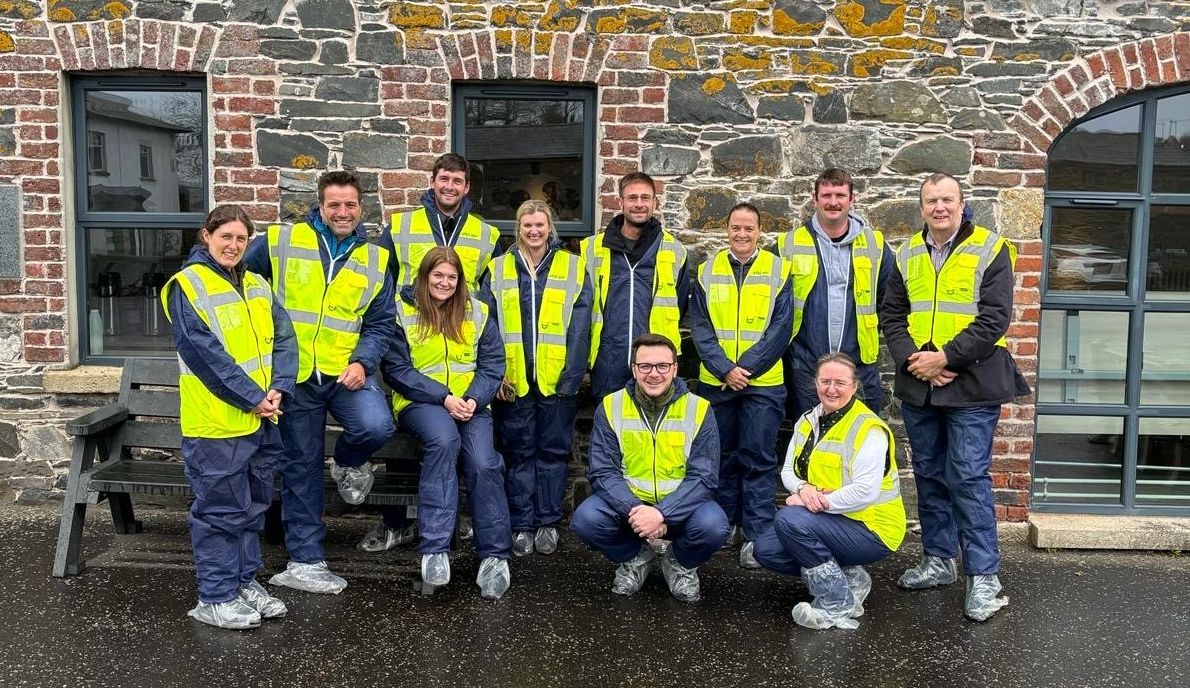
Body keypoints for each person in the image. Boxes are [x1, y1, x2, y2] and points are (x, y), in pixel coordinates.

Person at [882, 172, 1030, 622]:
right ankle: (939, 560)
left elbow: (995, 319)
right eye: (931, 201)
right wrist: (916, 360)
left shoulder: (990, 248)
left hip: (972, 381)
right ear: (922, 206)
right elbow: (891, 314)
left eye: (947, 199)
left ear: (963, 204)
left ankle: (985, 578)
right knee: (928, 473)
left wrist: (945, 358)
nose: (939, 207)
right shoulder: (907, 252)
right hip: (920, 382)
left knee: (966, 476)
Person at [243, 171, 396, 594]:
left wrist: (365, 362)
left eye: (350, 205)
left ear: (361, 208)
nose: (343, 212)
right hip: (295, 378)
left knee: (376, 426)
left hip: (346, 373)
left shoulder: (376, 258)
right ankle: (306, 560)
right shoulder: (281, 242)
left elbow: (381, 323)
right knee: (301, 467)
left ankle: (347, 461)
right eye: (334, 205)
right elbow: (229, 271)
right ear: (320, 206)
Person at [163, 205, 298, 629]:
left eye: (241, 239)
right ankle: (215, 596)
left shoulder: (257, 283)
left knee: (253, 506)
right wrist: (254, 398)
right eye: (226, 237)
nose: (234, 246)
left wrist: (280, 386)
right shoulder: (188, 285)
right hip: (216, 424)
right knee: (220, 510)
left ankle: (243, 583)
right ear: (207, 235)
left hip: (261, 418)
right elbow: (205, 355)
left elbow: (285, 338)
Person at [364, 152, 501, 552]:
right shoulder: (403, 225)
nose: (450, 187)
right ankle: (396, 523)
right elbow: (381, 278)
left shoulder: (484, 234)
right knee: (410, 446)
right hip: (412, 339)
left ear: (467, 187)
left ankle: (465, 528)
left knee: (473, 451)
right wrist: (402, 307)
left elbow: (488, 292)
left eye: (457, 181)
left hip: (463, 345)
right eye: (444, 179)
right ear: (433, 180)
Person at [382, 246, 512, 599]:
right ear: (424, 277)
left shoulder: (478, 312)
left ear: (460, 281)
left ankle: (495, 557)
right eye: (437, 275)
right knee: (444, 442)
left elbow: (492, 364)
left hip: (471, 403)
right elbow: (397, 370)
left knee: (485, 463)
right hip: (422, 402)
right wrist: (444, 397)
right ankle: (435, 549)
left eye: (451, 277)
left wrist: (473, 398)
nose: (444, 282)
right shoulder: (402, 311)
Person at [572, 334, 730, 602]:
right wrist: (638, 512)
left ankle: (680, 564)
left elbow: (704, 477)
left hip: (681, 507)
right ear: (634, 369)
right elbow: (602, 472)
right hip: (629, 507)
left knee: (713, 526)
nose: (653, 374)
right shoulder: (611, 406)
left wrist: (661, 514)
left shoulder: (699, 408)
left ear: (675, 368)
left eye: (662, 366)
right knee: (587, 520)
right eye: (645, 366)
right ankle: (636, 558)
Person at [753, 353, 906, 630]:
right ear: (816, 383)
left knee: (790, 520)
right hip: (832, 520)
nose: (831, 389)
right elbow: (788, 471)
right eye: (825, 381)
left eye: (840, 382)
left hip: (873, 527)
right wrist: (802, 487)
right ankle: (848, 576)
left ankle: (836, 602)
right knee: (765, 550)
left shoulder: (868, 429)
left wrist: (810, 502)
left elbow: (865, 493)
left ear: (854, 386)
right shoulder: (808, 420)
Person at [480, 201, 592, 557]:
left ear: (550, 228)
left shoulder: (573, 267)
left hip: (558, 380)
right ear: (518, 228)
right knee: (519, 454)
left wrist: (573, 374)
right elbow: (487, 326)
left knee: (553, 454)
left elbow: (583, 325)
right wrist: (495, 373)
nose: (534, 231)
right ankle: (522, 524)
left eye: (540, 224)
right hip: (513, 382)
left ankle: (547, 522)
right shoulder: (497, 269)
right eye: (527, 224)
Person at [689, 202, 793, 569]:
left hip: (762, 382)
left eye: (749, 228)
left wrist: (743, 368)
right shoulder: (706, 270)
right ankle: (727, 523)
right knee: (722, 457)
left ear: (759, 231)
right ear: (726, 229)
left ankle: (758, 532)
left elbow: (781, 329)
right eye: (736, 227)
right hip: (716, 383)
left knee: (759, 458)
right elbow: (699, 329)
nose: (742, 234)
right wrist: (723, 370)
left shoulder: (779, 270)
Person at [777, 168, 893, 421]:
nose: (833, 202)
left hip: (859, 360)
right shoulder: (788, 244)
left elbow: (891, 300)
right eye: (826, 195)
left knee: (862, 436)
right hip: (806, 361)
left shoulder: (875, 245)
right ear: (814, 199)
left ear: (852, 199)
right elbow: (773, 303)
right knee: (809, 434)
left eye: (840, 195)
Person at [581, 172, 689, 400]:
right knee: (609, 426)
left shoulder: (674, 250)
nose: (639, 204)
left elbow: (679, 304)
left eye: (645, 198)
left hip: (655, 364)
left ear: (654, 202)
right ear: (620, 202)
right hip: (607, 359)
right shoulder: (592, 249)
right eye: (632, 198)